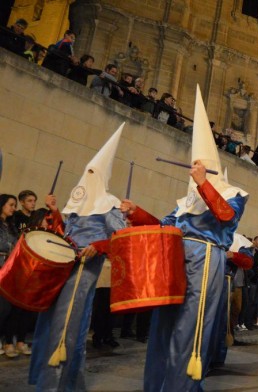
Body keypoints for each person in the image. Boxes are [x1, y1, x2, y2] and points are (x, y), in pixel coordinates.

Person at [120, 85, 248, 391]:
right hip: (176, 260)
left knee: (190, 327)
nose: (194, 171)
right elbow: (164, 227)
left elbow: (227, 219)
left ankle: (182, 386)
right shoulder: (185, 201)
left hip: (205, 259)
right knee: (164, 325)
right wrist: (137, 213)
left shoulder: (235, 194)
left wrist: (205, 184)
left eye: (201, 167)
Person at [28, 123, 127, 391]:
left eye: (94, 171)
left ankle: (59, 383)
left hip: (85, 265)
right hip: (62, 265)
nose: (89, 175)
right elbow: (64, 233)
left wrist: (99, 244)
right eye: (87, 170)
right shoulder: (77, 203)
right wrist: (56, 212)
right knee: (50, 320)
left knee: (68, 322)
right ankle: (46, 378)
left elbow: (122, 238)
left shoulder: (109, 203)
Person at [0, 194, 19, 358]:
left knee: (7, 307)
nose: (13, 208)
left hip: (9, 269)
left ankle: (6, 341)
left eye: (15, 205)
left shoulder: (11, 226)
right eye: (11, 205)